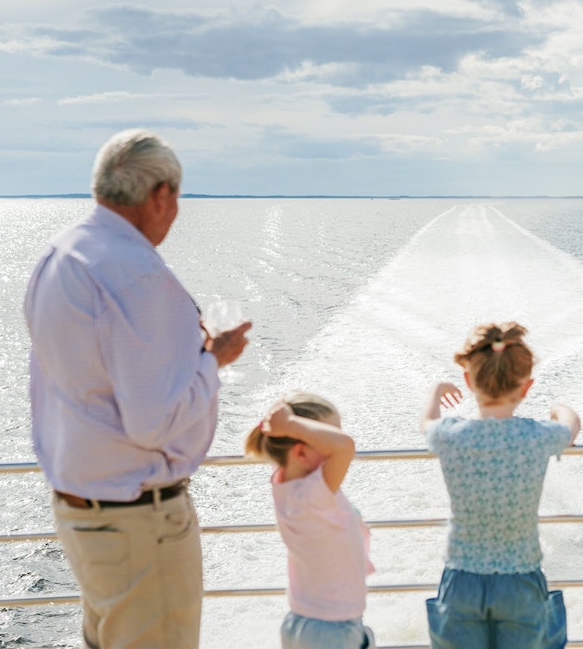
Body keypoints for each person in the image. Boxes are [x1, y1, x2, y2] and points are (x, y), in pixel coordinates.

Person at [24, 129, 252, 648]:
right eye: (176, 199)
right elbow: (156, 424)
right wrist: (213, 359)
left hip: (82, 515)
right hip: (138, 525)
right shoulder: (138, 277)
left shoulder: (60, 256)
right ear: (161, 195)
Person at [422, 322, 581, 649]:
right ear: (526, 387)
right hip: (520, 579)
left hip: (462, 578)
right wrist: (557, 410)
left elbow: (428, 423)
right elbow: (571, 424)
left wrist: (436, 391)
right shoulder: (538, 435)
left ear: (468, 381)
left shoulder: (449, 435)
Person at [245, 392, 376, 649]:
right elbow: (345, 446)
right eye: (328, 437)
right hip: (332, 629)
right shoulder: (314, 495)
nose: (334, 442)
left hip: (303, 622)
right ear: (301, 453)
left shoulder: (285, 484)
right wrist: (289, 425)